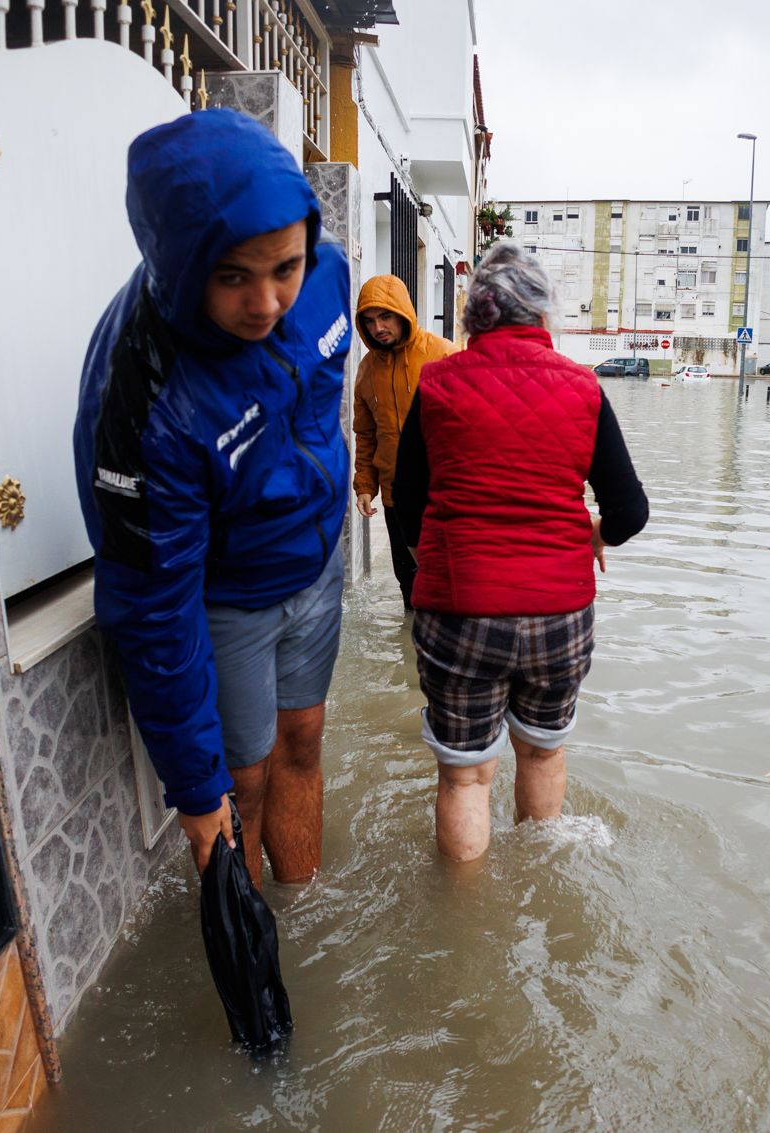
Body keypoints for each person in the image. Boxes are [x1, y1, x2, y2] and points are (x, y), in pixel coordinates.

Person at [73, 109, 352, 889]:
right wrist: (195, 790)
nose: (266, 303)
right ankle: (262, 946)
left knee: (303, 741)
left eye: (283, 268)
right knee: (244, 783)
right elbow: (153, 604)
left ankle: (306, 909)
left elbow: (318, 403)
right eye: (233, 276)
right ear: (184, 263)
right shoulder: (147, 402)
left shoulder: (327, 278)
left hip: (314, 566)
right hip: (227, 600)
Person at [392, 243, 649, 861]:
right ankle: (538, 887)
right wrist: (596, 533)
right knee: (541, 752)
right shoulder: (584, 388)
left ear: (473, 316)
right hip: (559, 615)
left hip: (460, 610)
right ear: (542, 315)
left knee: (464, 775)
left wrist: (437, 560)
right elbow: (630, 513)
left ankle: (465, 927)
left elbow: (406, 500)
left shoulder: (437, 383)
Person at [351, 275, 457, 607]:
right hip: (397, 497)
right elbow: (366, 433)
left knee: (451, 583)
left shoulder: (443, 355)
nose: (377, 327)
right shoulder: (367, 369)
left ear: (402, 313)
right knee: (409, 585)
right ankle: (412, 654)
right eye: (369, 321)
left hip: (444, 494)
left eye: (385, 316)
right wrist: (365, 484)